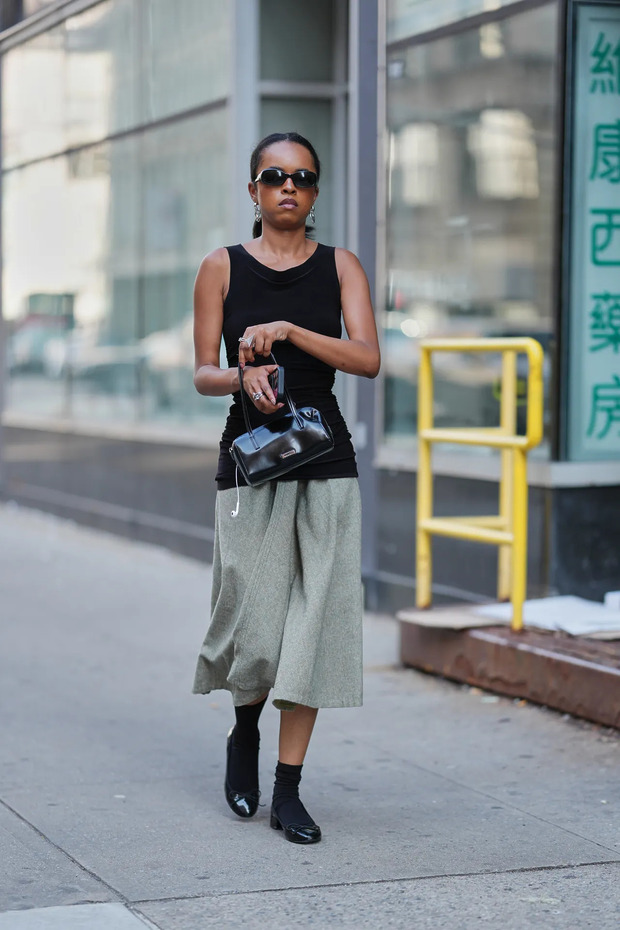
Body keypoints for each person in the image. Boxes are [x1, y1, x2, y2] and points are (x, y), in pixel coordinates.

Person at [192, 131, 380, 845]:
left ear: (315, 191)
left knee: (314, 626)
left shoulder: (340, 267)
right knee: (256, 622)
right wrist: (243, 377)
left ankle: (288, 789)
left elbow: (367, 358)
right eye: (274, 177)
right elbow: (202, 372)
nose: (288, 187)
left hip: (325, 459)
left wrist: (293, 332)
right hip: (251, 462)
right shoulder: (221, 267)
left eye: (301, 177)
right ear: (254, 191)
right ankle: (244, 730)